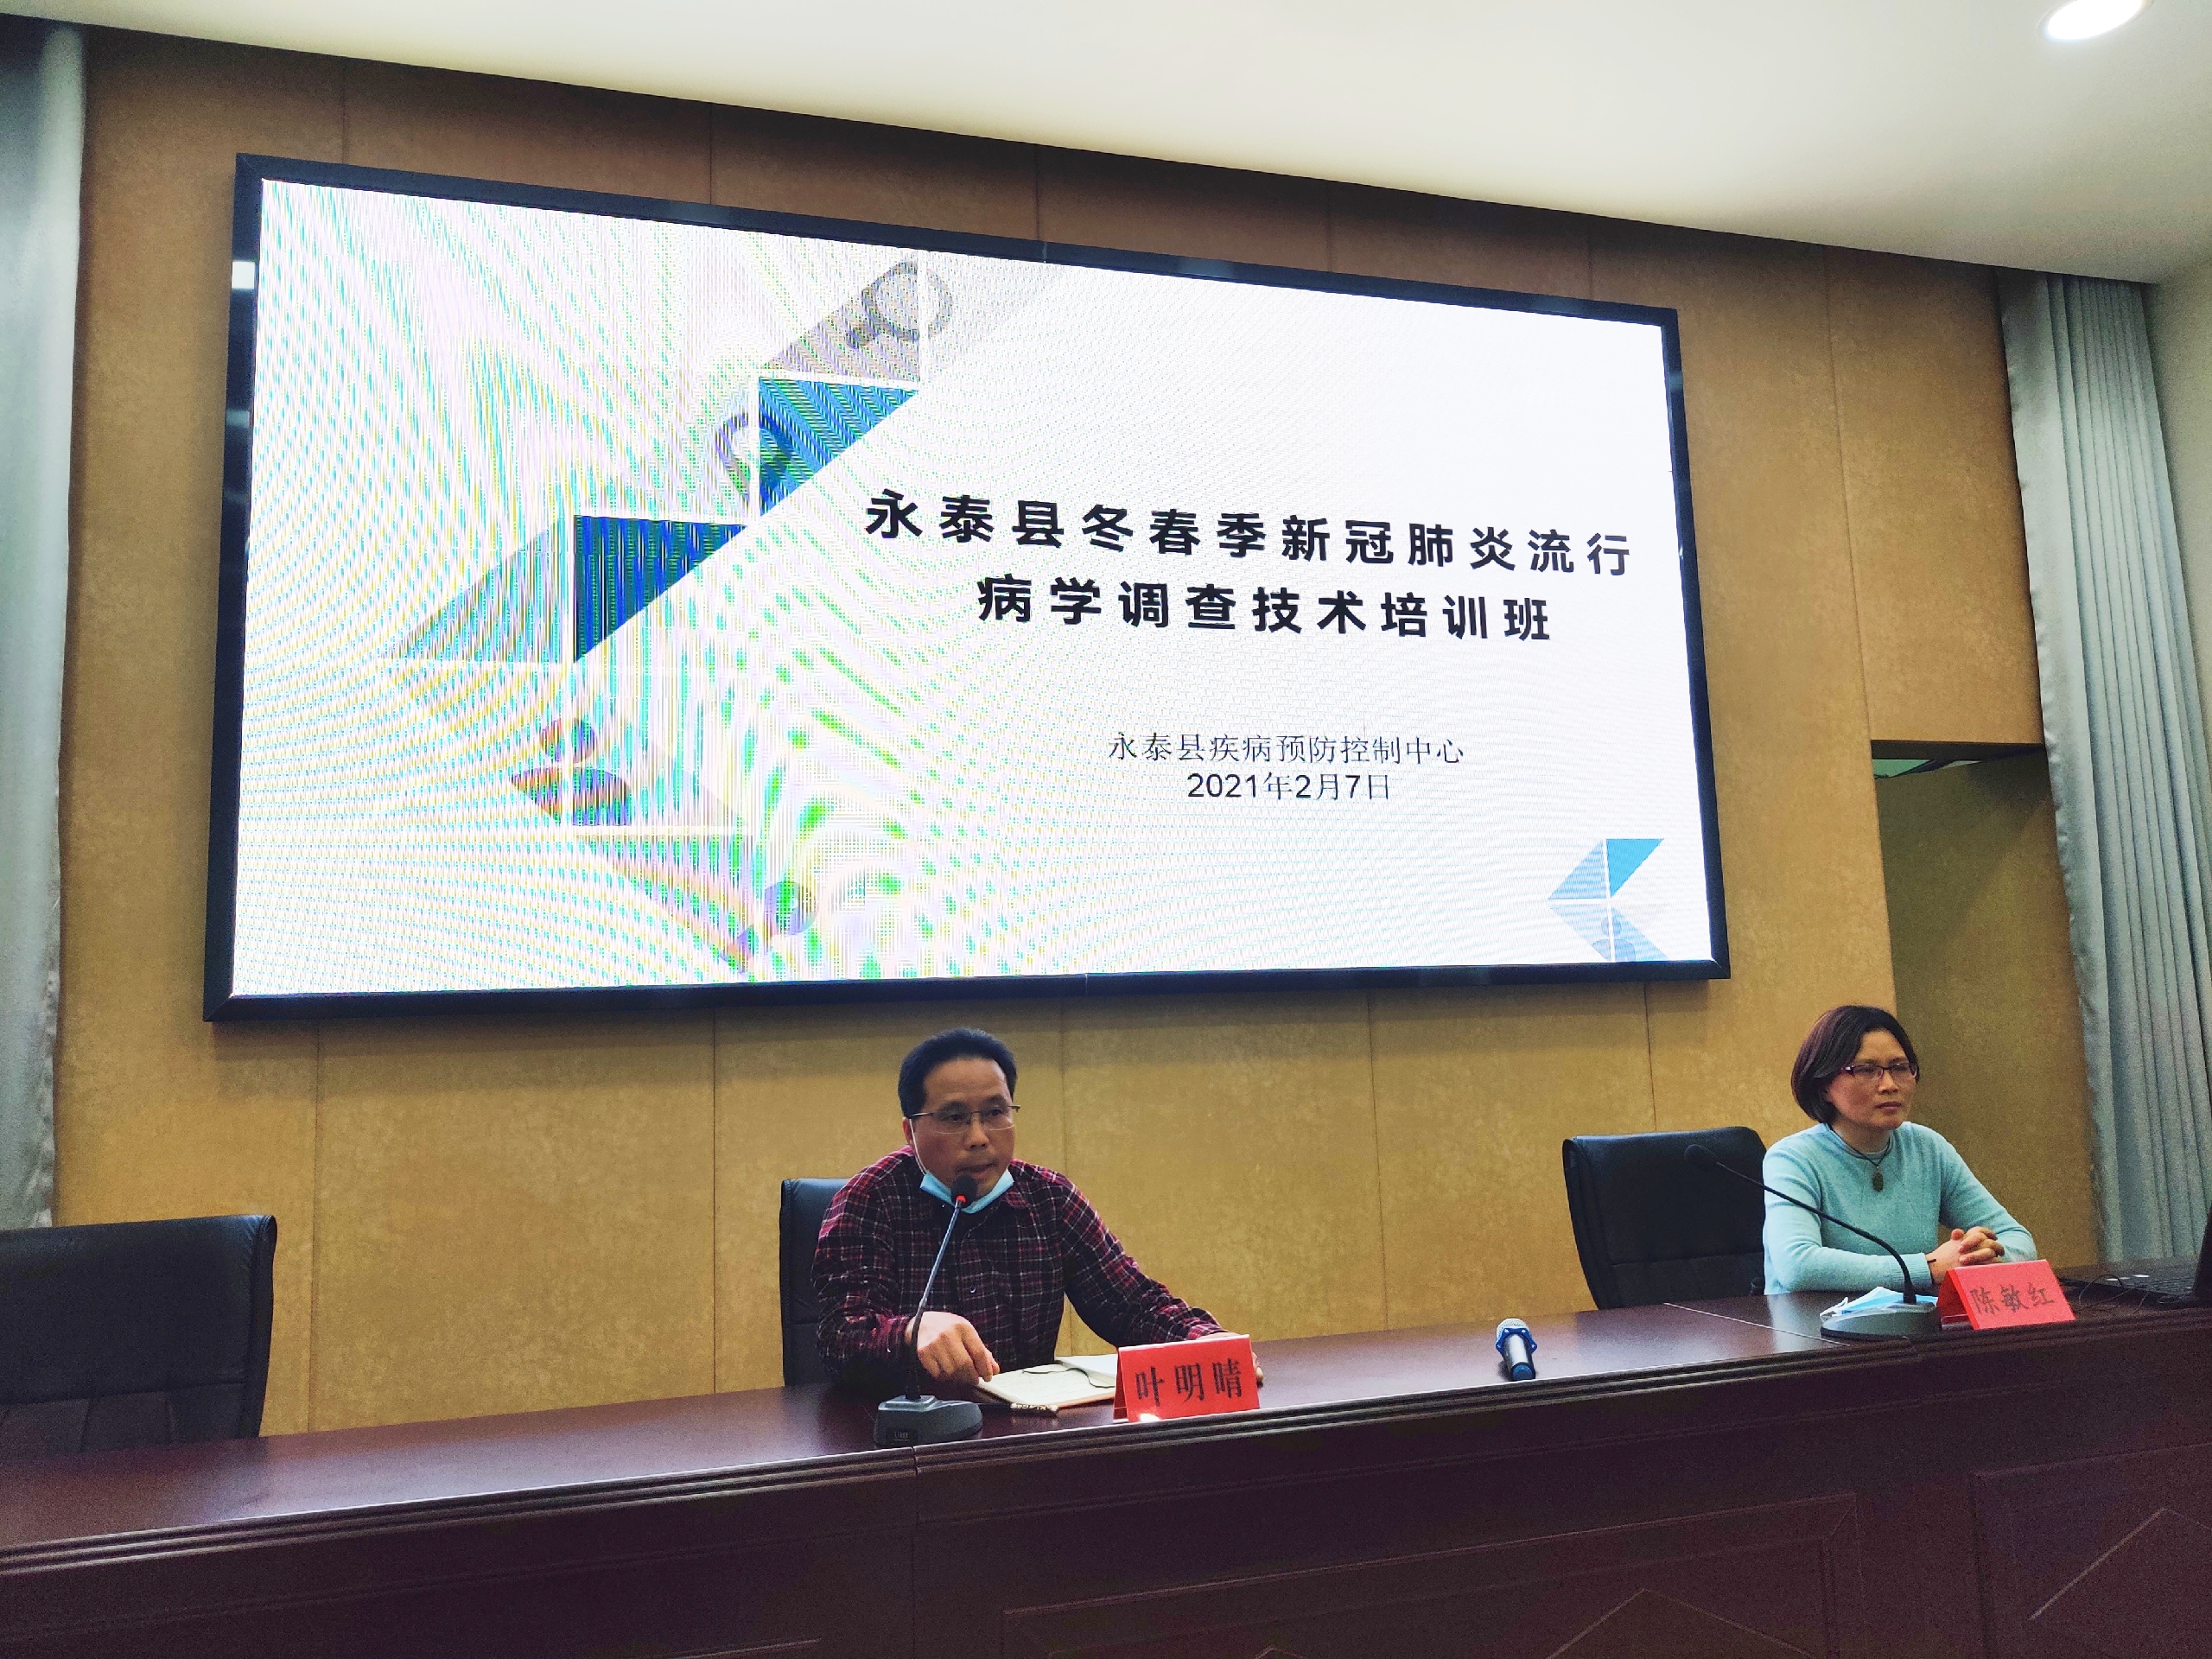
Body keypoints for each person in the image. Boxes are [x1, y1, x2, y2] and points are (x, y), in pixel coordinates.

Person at [813, 1027, 1224, 1394]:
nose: (978, 1137)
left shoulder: (1049, 1198)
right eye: (954, 1118)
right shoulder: (870, 1200)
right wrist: (909, 1332)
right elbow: (840, 1340)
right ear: (910, 1131)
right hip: (908, 1437)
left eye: (995, 1113)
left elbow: (1133, 1306)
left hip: (1025, 1432)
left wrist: (1206, 1342)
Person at [1764, 1005, 2035, 1294]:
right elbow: (1798, 1266)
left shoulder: (1927, 1147)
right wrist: (1929, 1268)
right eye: (1866, 1070)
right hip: (1812, 1321)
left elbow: (2017, 1238)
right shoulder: (1793, 1158)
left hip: (1912, 1318)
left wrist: (1979, 1256)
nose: (1890, 1085)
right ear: (1823, 1086)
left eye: (1900, 1068)